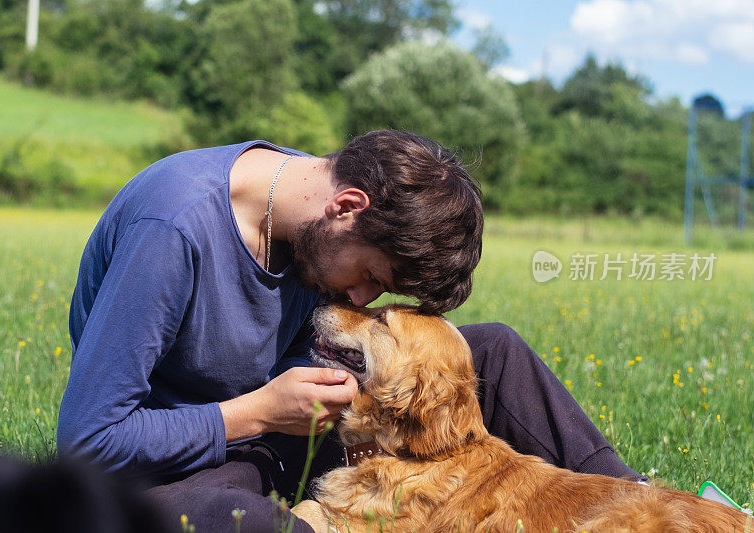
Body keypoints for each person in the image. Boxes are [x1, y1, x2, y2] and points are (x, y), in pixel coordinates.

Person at [58, 130, 644, 532]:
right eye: (369, 276)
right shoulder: (174, 229)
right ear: (348, 205)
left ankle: (648, 503)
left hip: (286, 424)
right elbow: (88, 441)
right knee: (231, 518)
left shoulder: (307, 210)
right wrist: (260, 412)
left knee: (492, 351)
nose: (360, 299)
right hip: (187, 458)